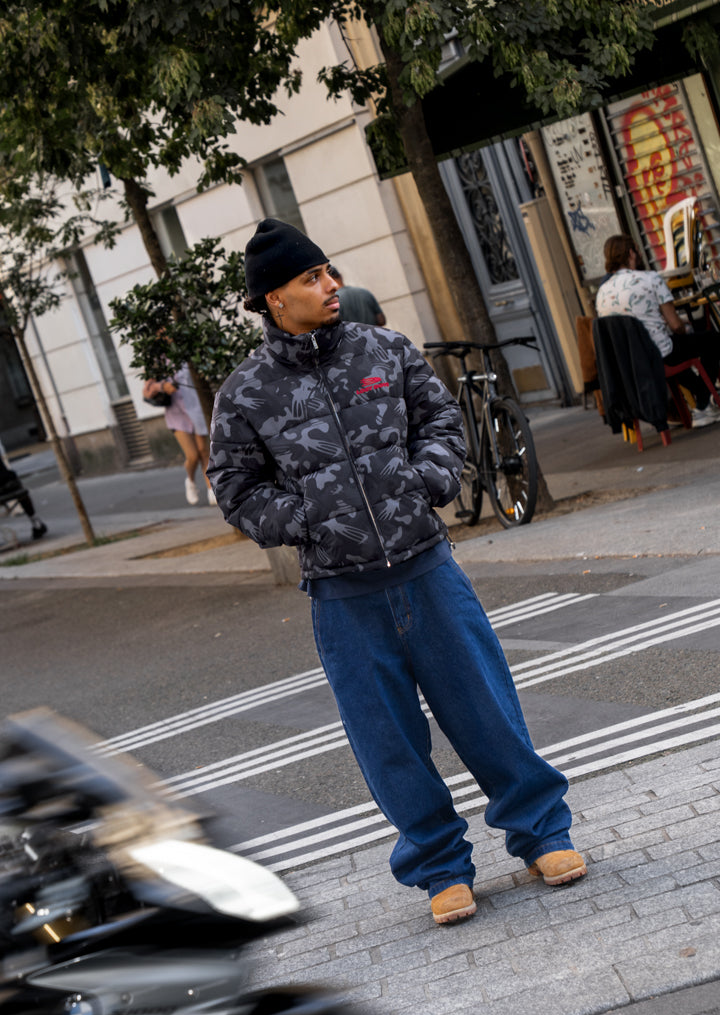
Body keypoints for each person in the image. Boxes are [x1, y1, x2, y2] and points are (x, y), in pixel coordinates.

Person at [208, 218, 586, 925]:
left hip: (428, 570)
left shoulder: (385, 348)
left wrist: (428, 479)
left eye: (328, 272)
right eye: (310, 278)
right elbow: (236, 488)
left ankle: (542, 834)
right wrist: (305, 519)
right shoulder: (246, 393)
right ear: (271, 300)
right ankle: (441, 866)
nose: (330, 286)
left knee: (486, 712)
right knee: (388, 743)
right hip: (342, 595)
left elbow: (440, 424)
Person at [595, 234, 720, 427]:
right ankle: (704, 405)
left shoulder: (602, 292)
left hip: (628, 364)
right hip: (657, 355)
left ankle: (704, 399)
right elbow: (676, 325)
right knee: (711, 339)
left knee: (673, 350)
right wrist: (684, 328)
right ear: (631, 253)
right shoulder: (650, 278)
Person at [143, 363, 216, 505]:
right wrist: (162, 387)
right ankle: (190, 480)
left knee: (203, 451)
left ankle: (211, 489)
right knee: (193, 456)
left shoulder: (186, 351)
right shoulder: (156, 358)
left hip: (196, 408)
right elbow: (147, 391)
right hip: (176, 414)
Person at [0, 457, 47, 540]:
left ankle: (35, 522)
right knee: (17, 486)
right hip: (7, 483)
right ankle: (35, 521)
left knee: (14, 485)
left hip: (5, 483)